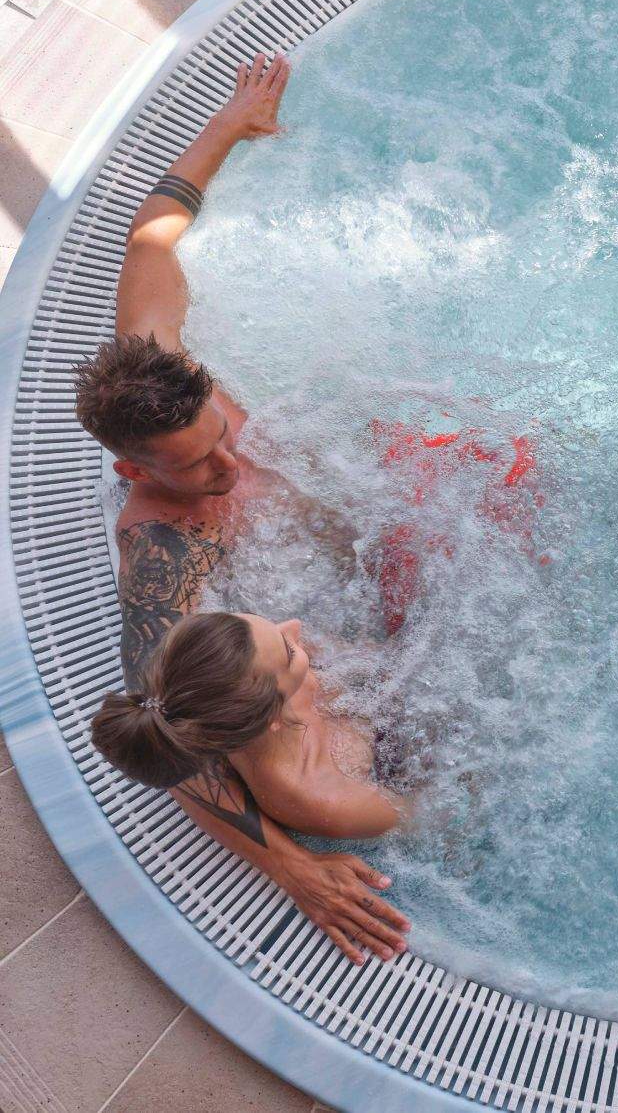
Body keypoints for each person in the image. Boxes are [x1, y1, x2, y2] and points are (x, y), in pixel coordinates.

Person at [72, 52, 408, 966]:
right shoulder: (164, 556)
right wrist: (288, 865)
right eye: (195, 466)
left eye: (222, 432)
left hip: (369, 522)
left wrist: (228, 128)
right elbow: (167, 728)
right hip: (334, 619)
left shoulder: (155, 359)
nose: (230, 463)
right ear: (131, 467)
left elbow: (152, 236)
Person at [91, 611, 412, 960]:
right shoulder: (328, 799)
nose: (293, 625)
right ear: (274, 717)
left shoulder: (231, 678)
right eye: (288, 651)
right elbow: (431, 815)